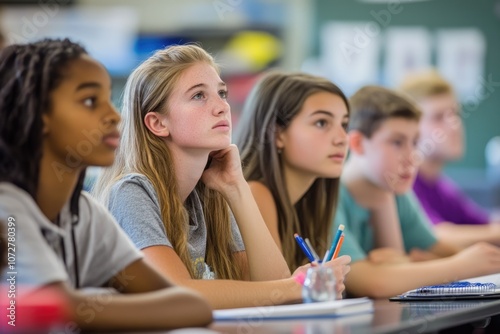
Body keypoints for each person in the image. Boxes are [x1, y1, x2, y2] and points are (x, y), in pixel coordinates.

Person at [92, 44, 348, 309]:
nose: (222, 107)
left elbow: (270, 285)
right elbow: (177, 294)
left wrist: (237, 188)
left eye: (222, 93)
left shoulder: (210, 192)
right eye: (199, 96)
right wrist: (297, 286)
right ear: (158, 123)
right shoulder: (131, 191)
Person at [0, 39, 212, 331]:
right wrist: (80, 304)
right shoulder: (7, 209)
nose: (114, 116)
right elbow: (42, 310)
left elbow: (192, 305)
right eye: (89, 101)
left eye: (107, 99)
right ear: (40, 115)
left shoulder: (83, 214)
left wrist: (83, 303)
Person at [333, 85, 500, 298]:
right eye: (397, 142)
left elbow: (438, 250)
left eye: (415, 142)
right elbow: (374, 283)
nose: (413, 157)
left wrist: (408, 263)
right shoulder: (331, 194)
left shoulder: (396, 192)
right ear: (357, 143)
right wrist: (460, 266)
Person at [234, 71, 352, 277]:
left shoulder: (310, 200)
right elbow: (275, 292)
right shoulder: (256, 193)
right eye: (322, 123)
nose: (342, 138)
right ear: (277, 134)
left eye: (344, 124)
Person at [400, 70, 500, 248]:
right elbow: (435, 236)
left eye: (455, 114)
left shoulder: (441, 186)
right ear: (410, 129)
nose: (454, 125)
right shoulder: (404, 183)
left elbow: (486, 225)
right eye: (438, 117)